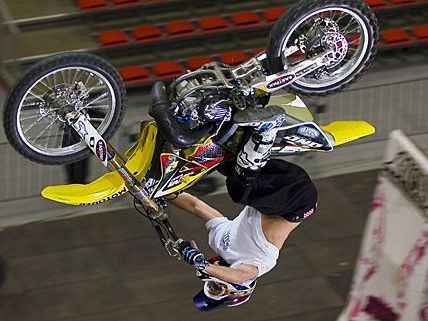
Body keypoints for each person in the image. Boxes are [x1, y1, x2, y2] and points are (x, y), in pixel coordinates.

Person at [168, 157, 317, 286]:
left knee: (222, 162)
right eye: (218, 286)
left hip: (275, 186)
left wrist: (163, 194)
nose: (214, 278)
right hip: (297, 204)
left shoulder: (218, 241)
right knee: (240, 191)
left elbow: (196, 206)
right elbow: (239, 277)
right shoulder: (251, 267)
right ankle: (260, 142)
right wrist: (202, 265)